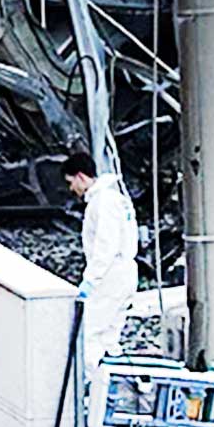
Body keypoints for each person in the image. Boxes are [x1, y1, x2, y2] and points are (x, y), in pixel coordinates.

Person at [61, 152, 139, 373]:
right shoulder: (116, 198)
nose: (72, 188)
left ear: (81, 176)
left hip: (110, 275)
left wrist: (90, 280)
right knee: (109, 338)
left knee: (90, 334)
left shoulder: (103, 202)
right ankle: (113, 383)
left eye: (71, 182)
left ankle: (87, 384)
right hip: (124, 272)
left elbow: (106, 246)